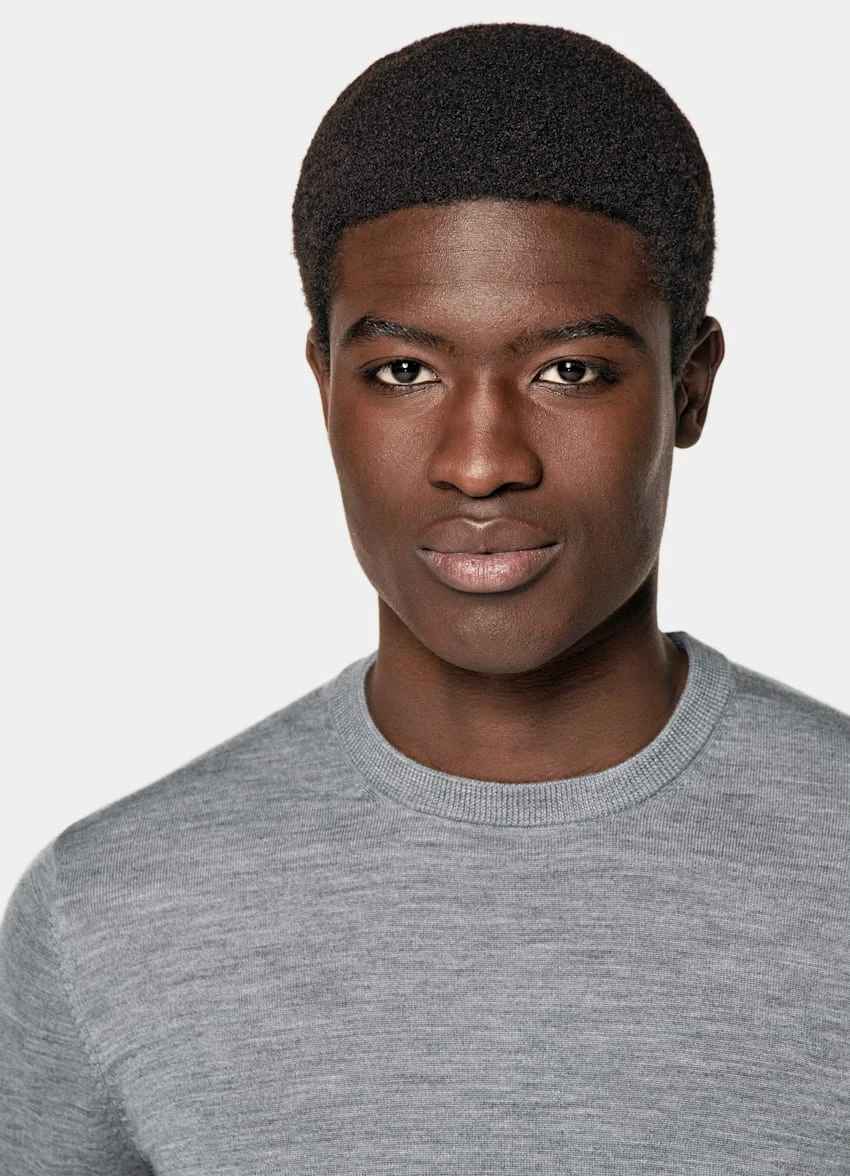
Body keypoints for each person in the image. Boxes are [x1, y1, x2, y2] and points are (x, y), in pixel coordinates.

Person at [1, 21, 848, 1173]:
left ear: (688, 387)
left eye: (569, 371)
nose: (480, 461)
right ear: (323, 386)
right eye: (404, 371)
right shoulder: (106, 916)